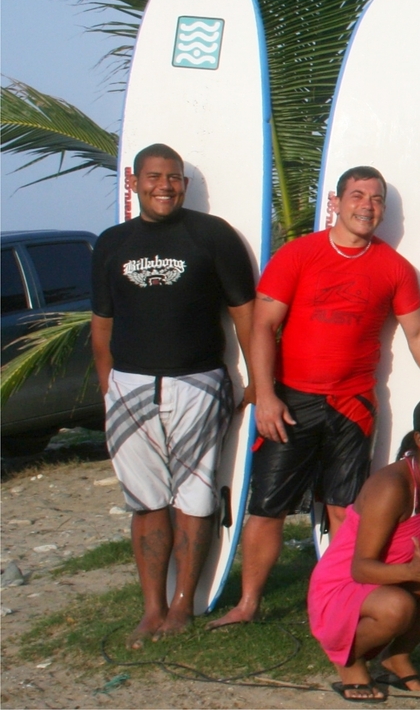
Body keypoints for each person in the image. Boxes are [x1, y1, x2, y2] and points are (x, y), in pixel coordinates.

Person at [213, 166, 420, 629]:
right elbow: (262, 325)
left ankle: (344, 600)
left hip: (353, 405)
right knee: (268, 506)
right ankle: (249, 603)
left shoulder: (394, 268)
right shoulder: (299, 254)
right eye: (357, 195)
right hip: (292, 402)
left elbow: (418, 331)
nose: (368, 206)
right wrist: (265, 396)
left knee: (345, 509)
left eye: (377, 199)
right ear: (336, 203)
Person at [90, 143, 257, 646]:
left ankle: (183, 605)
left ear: (184, 184)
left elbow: (246, 314)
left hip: (198, 382)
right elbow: (102, 328)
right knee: (146, 503)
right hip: (130, 384)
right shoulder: (112, 243)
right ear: (135, 182)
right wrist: (108, 393)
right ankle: (152, 608)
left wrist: (257, 383)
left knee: (195, 497)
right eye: (155, 176)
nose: (165, 185)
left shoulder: (212, 236)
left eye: (175, 177)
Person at [306, 393, 420, 701]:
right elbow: (360, 568)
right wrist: (411, 571)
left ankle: (398, 655)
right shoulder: (392, 486)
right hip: (343, 586)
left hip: (390, 579)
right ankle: (350, 661)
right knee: (398, 607)